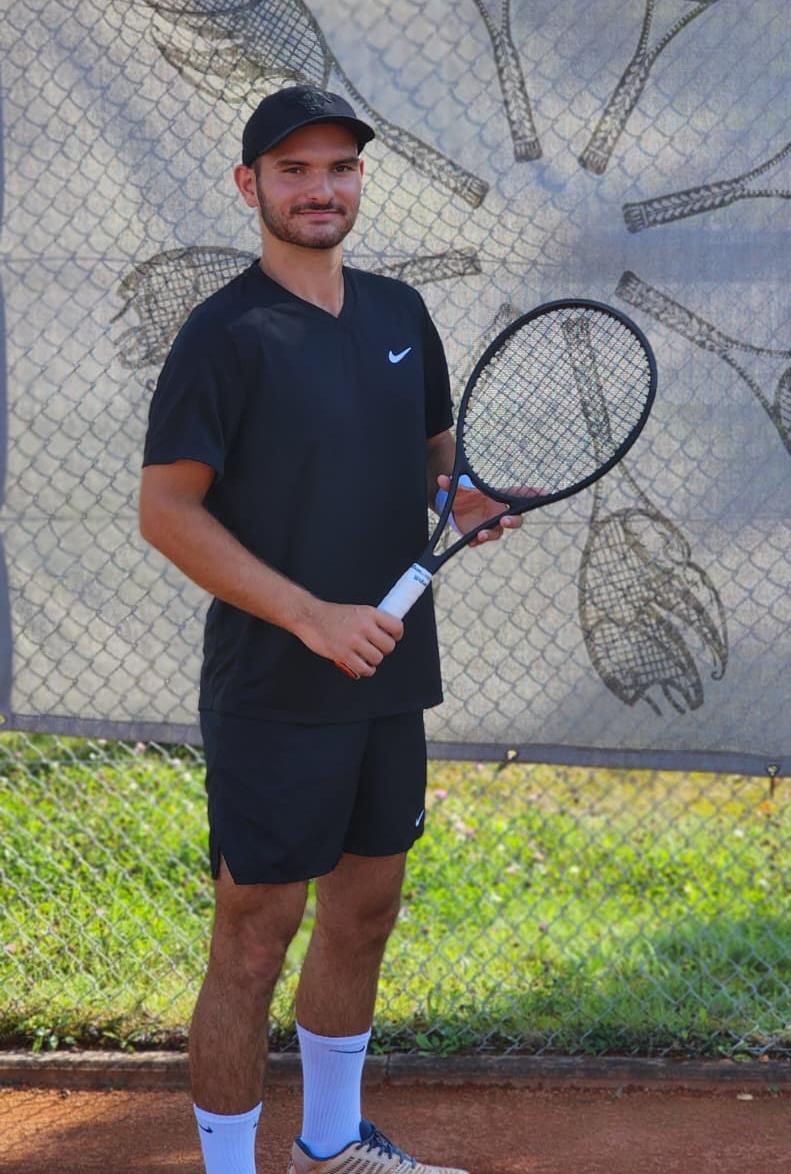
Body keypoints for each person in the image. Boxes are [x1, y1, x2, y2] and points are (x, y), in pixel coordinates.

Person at [139, 84, 521, 1174]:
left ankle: (329, 1144)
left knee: (365, 910)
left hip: (388, 673)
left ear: (359, 180)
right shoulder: (223, 335)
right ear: (249, 184)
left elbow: (433, 461)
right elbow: (165, 510)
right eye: (294, 169)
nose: (320, 189)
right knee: (253, 935)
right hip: (274, 684)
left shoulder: (400, 313)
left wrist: (463, 497)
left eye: (339, 167)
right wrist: (309, 617)